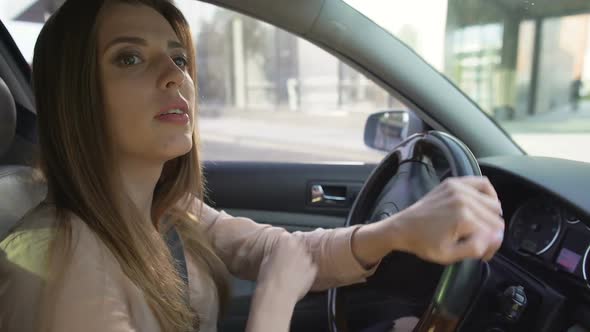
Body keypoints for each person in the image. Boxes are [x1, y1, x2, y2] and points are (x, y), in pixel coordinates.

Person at [0, 0, 504, 331]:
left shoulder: (170, 211)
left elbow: (279, 251)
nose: (175, 77)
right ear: (75, 97)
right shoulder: (63, 265)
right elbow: (282, 271)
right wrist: (273, 304)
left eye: (178, 59)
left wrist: (398, 232)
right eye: (129, 58)